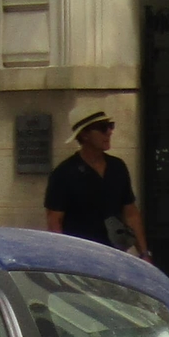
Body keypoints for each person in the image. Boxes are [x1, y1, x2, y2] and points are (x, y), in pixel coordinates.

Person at [43, 111, 149, 258]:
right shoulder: (64, 173)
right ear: (85, 135)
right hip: (81, 255)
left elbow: (130, 213)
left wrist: (144, 253)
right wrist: (64, 258)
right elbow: (55, 221)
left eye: (111, 126)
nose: (109, 132)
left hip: (116, 254)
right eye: (103, 128)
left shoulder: (117, 167)